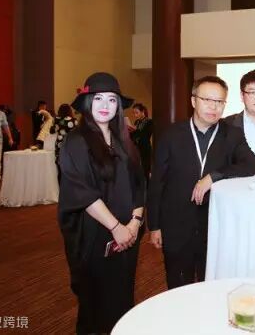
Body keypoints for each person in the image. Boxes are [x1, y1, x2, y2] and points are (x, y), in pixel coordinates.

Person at [147, 76, 255, 289]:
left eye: (219, 102)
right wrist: (155, 225)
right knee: (179, 288)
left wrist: (213, 177)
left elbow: (252, 166)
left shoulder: (232, 134)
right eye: (207, 100)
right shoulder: (171, 135)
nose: (213, 107)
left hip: (214, 227)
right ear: (193, 101)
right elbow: (157, 182)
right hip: (176, 225)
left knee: (213, 289)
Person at [57, 72, 145, 334]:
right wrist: (116, 227)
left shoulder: (125, 142)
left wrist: (135, 222)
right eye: (98, 98)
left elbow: (140, 184)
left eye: (112, 100)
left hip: (128, 235)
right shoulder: (76, 141)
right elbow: (82, 192)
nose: (105, 105)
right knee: (94, 306)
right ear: (87, 102)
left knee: (122, 299)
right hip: (95, 235)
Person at [50, 104, 78, 178]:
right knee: (71, 165)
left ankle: (60, 182)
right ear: (69, 111)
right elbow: (77, 133)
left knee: (60, 166)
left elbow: (51, 131)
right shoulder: (73, 120)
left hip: (60, 143)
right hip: (70, 144)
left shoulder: (56, 119)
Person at [128, 103, 153, 182]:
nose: (135, 115)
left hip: (145, 148)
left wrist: (136, 130)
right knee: (137, 169)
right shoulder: (137, 122)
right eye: (134, 113)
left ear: (142, 112)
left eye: (137, 112)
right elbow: (134, 136)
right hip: (136, 148)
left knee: (146, 170)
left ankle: (147, 187)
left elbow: (146, 135)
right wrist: (130, 131)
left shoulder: (149, 122)